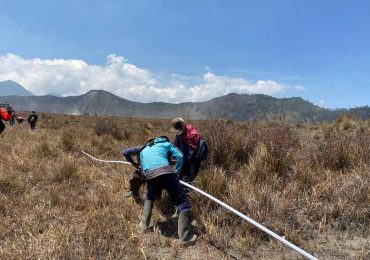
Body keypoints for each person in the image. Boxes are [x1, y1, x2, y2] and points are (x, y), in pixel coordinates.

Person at [125, 136, 197, 245]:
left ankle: (143, 225)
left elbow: (144, 166)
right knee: (182, 202)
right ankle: (185, 238)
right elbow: (180, 156)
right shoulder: (166, 144)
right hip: (167, 174)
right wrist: (176, 172)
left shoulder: (144, 149)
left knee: (149, 197)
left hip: (150, 176)